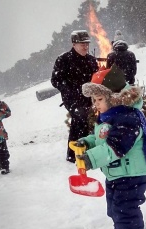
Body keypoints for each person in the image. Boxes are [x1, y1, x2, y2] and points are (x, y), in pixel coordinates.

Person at [74, 64, 146, 229]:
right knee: (113, 207)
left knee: (125, 208)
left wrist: (90, 159)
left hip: (132, 174)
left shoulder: (128, 118)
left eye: (100, 99)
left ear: (114, 98)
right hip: (116, 173)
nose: (95, 104)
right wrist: (87, 143)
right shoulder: (108, 117)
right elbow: (101, 138)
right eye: (94, 100)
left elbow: (115, 147)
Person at [51, 30, 99, 163]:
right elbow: (55, 80)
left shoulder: (91, 60)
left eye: (87, 43)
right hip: (72, 99)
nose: (85, 46)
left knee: (91, 121)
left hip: (89, 97)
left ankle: (88, 150)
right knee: (79, 119)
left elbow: (97, 78)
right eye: (82, 44)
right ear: (74, 44)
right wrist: (71, 90)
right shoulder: (63, 59)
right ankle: (73, 155)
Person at [0, 100, 11, 175]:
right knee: (3, 152)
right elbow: (8, 113)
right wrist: (2, 104)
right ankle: (4, 167)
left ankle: (4, 167)